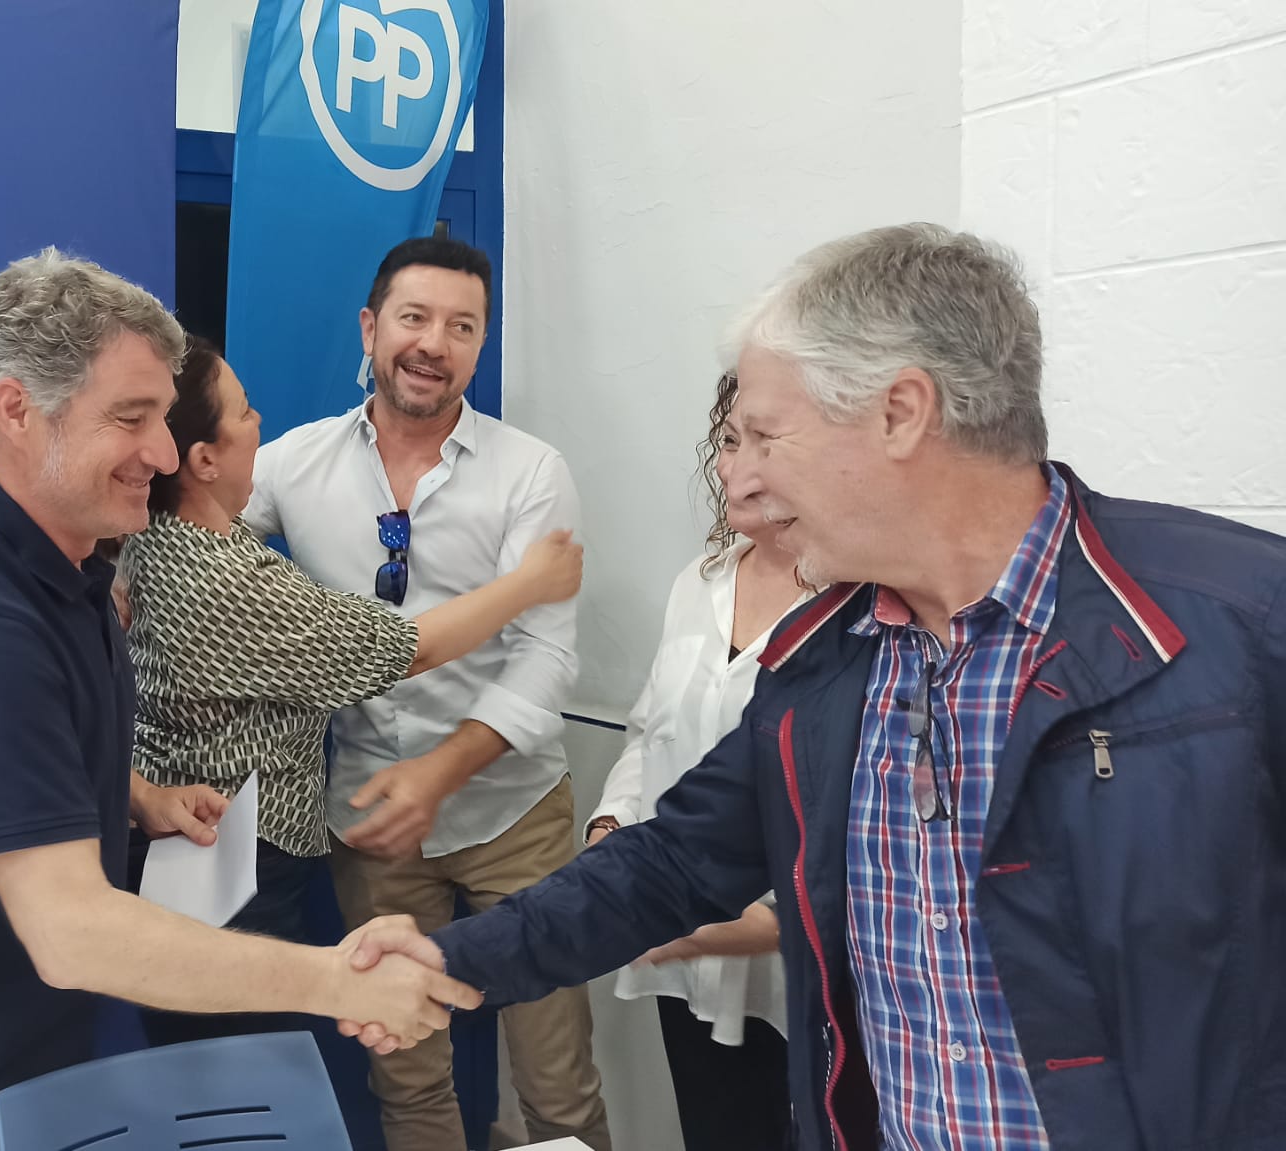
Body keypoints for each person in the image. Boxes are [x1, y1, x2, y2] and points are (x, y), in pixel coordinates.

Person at [346, 223, 1286, 1150]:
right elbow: (671, 863)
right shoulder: (829, 659)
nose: (740, 478)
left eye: (762, 435)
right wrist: (451, 958)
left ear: (900, 413)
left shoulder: (1237, 623)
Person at [0, 249, 482, 1151]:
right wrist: (338, 982)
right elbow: (71, 932)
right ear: (17, 410)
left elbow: (25, 753)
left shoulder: (77, 560)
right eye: (130, 419)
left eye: (165, 420)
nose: (165, 455)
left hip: (36, 1043)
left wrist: (137, 794)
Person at [245, 236, 614, 1151]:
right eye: (414, 318)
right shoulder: (294, 464)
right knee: (405, 1077)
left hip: (514, 813)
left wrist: (439, 776)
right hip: (369, 816)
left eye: (461, 326)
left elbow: (544, 657)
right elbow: (203, 544)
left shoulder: (532, 471)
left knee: (556, 1083)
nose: (433, 344)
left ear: (480, 345)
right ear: (371, 329)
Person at [120, 334, 584, 1046]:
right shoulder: (229, 574)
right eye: (244, 414)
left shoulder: (153, 538)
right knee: (241, 1074)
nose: (259, 424)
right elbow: (408, 646)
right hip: (231, 861)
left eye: (462, 324)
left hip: (498, 808)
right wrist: (528, 583)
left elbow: (541, 654)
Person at [583, 369, 806, 1150]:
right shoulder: (702, 578)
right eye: (728, 439)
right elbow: (650, 731)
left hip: (795, 975)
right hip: (679, 950)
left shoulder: (863, 601)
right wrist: (611, 826)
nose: (733, 466)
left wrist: (729, 927)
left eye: (764, 443)